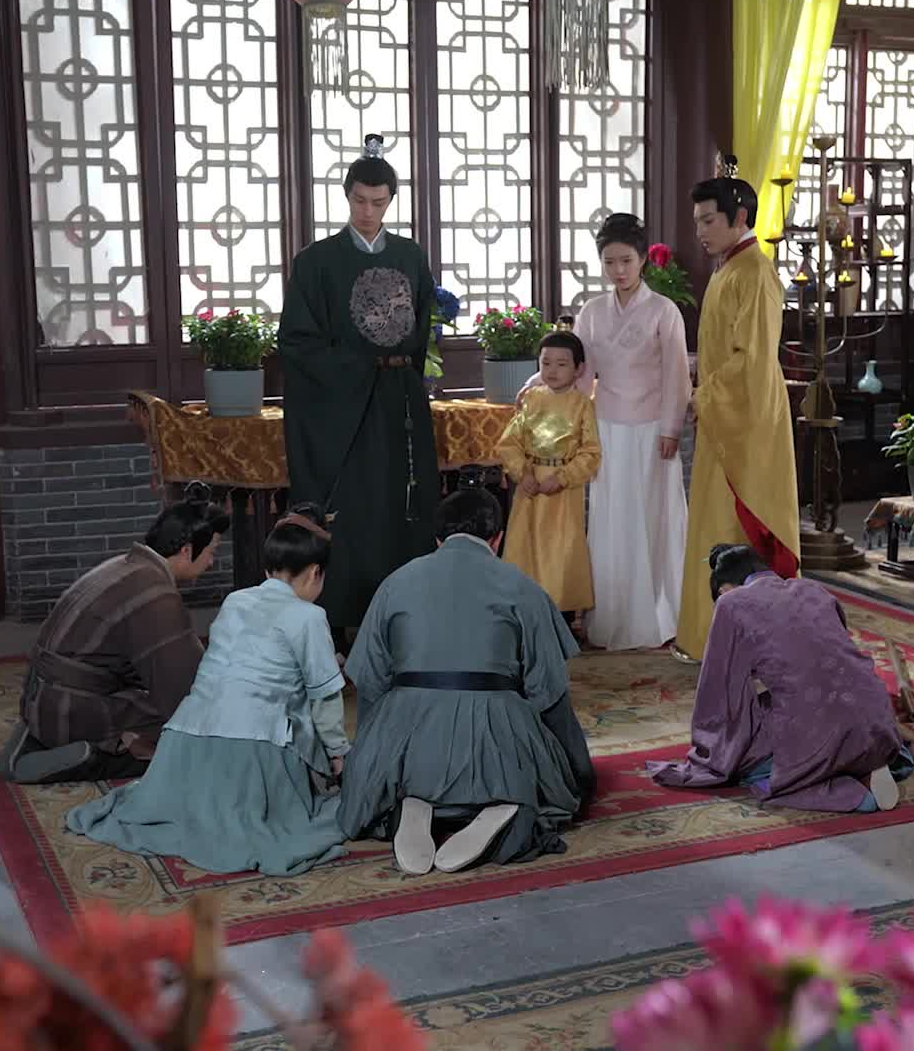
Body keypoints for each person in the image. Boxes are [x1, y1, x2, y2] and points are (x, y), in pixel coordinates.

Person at [66, 511, 348, 877]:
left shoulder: (235, 601)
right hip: (252, 748)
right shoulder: (309, 617)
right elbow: (325, 700)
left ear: (267, 570)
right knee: (320, 783)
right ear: (314, 573)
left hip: (183, 740)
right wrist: (337, 753)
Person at [338, 485, 596, 874]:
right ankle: (501, 807)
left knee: (402, 770)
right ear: (497, 539)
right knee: (535, 781)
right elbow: (548, 691)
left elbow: (370, 683)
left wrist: (373, 760)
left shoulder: (395, 582)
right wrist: (577, 771)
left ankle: (412, 804)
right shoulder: (522, 587)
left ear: (437, 540)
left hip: (408, 728)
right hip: (495, 726)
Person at [278, 133, 439, 644]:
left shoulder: (411, 256)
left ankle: (402, 624)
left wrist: (406, 380)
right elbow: (297, 342)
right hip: (342, 412)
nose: (368, 212)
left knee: (402, 510)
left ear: (391, 201)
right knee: (349, 515)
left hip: (399, 405)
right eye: (359, 201)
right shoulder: (315, 262)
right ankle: (338, 630)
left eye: (378, 202)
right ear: (346, 196)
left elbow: (421, 329)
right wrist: (359, 370)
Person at [524, 212, 691, 649]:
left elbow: (677, 375)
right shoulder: (593, 312)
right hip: (606, 429)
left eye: (626, 261)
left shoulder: (664, 311)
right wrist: (539, 384)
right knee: (611, 519)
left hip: (653, 428)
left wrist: (671, 428)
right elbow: (578, 369)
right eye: (610, 262)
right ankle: (612, 617)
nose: (618, 270)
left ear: (643, 260)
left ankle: (661, 616)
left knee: (654, 517)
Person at [650, 544, 914, 812]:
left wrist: (713, 752)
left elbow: (718, 690)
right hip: (878, 721)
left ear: (723, 589)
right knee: (806, 700)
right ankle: (868, 763)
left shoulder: (731, 603)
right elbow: (831, 662)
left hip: (823, 732)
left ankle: (853, 794)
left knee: (745, 758)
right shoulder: (813, 589)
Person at [0, 499, 229, 785]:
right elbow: (186, 690)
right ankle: (87, 756)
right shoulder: (156, 595)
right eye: (211, 552)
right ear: (186, 550)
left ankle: (38, 735)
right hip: (71, 711)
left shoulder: (124, 565)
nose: (211, 562)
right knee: (198, 726)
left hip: (40, 697)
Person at [675, 164, 800, 663]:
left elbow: (752, 358)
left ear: (740, 217)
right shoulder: (730, 268)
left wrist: (704, 396)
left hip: (747, 423)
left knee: (741, 526)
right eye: (697, 222)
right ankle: (713, 638)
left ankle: (750, 643)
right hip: (724, 418)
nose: (700, 231)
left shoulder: (756, 272)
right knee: (714, 524)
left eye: (708, 220)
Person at [497, 331, 601, 616]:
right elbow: (509, 443)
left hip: (563, 492)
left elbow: (591, 452)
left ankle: (561, 615)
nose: (552, 370)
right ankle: (525, 613)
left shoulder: (582, 404)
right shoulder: (531, 399)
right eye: (546, 363)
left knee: (560, 550)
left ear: (579, 369)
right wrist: (522, 473)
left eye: (562, 364)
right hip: (530, 489)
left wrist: (563, 477)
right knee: (525, 548)